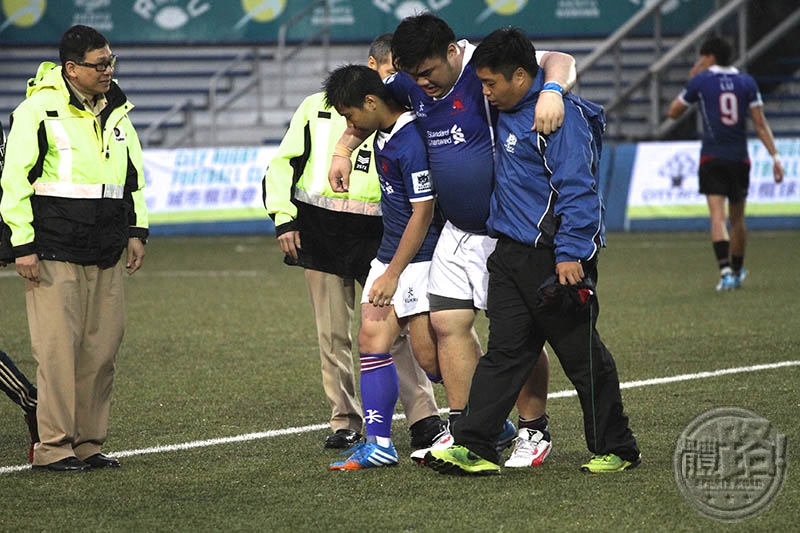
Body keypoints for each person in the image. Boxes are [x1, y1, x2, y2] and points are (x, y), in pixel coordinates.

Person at [329, 13, 577, 468]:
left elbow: (560, 58)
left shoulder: (484, 66)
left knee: (517, 338)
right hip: (456, 234)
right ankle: (469, 430)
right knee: (447, 327)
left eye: (428, 73)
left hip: (505, 233)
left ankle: (533, 430)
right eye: (412, 75)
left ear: (451, 52)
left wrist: (553, 91)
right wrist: (343, 148)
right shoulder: (411, 83)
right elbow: (369, 107)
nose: (421, 84)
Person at [423, 27, 641, 475]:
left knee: (582, 357)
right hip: (507, 255)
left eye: (490, 84)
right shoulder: (509, 106)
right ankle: (475, 446)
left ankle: (617, 448)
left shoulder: (559, 117)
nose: (484, 92)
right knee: (505, 353)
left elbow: (579, 190)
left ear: (521, 77)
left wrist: (572, 255)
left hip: (553, 259)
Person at [262, 34, 444, 451]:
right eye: (388, 70)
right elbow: (283, 164)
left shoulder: (406, 111)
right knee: (332, 335)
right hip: (321, 232)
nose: (393, 79)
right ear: (372, 65)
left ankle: (424, 417)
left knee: (395, 331)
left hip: (382, 234)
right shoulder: (318, 107)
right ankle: (345, 419)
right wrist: (283, 217)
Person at [0, 25, 149, 472]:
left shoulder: (118, 110)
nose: (108, 71)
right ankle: (53, 448)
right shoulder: (37, 111)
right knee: (58, 354)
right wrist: (22, 244)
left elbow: (131, 179)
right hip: (52, 250)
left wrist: (136, 230)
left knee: (102, 353)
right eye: (99, 64)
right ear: (71, 69)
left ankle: (87, 444)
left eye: (111, 62)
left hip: (105, 248)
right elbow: (13, 181)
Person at [323, 64, 442, 470]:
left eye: (350, 115)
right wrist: (342, 150)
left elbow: (422, 212)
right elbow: (358, 126)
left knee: (434, 361)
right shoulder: (383, 121)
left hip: (420, 256)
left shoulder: (409, 141)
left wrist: (393, 274)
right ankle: (379, 444)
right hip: (390, 252)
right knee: (372, 338)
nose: (349, 124)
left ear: (371, 103)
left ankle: (487, 422)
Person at [668, 35, 784, 291]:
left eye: (702, 57)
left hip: (712, 157)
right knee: (738, 220)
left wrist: (692, 81)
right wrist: (775, 157)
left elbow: (674, 111)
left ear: (709, 57)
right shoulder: (746, 82)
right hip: (739, 158)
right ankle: (739, 269)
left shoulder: (701, 81)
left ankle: (725, 272)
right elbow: (760, 123)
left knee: (718, 218)